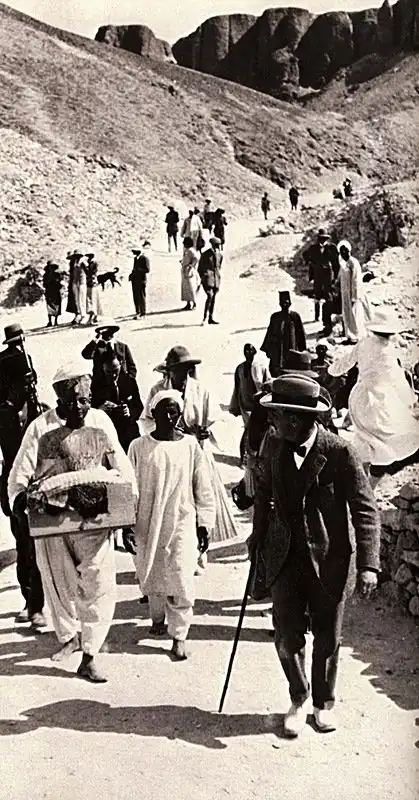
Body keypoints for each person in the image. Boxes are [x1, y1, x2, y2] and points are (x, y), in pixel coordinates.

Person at [248, 374, 380, 736]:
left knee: (327, 639)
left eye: (276, 414)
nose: (272, 420)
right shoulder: (274, 445)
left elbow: (365, 509)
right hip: (284, 559)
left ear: (294, 419)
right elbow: (263, 494)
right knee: (285, 637)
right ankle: (299, 697)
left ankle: (324, 703)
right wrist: (257, 539)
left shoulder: (339, 452)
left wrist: (368, 565)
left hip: (329, 561)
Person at [8, 364, 137, 682]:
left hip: (94, 520)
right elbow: (20, 474)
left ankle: (90, 653)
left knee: (98, 583)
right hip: (54, 523)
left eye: (84, 400)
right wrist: (22, 501)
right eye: (72, 400)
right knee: (59, 585)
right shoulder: (41, 429)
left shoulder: (100, 422)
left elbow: (120, 465)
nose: (80, 407)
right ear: (59, 400)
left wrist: (127, 504)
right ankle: (70, 636)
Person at [126, 390, 215, 660]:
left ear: (180, 414)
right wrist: (127, 526)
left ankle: (179, 635)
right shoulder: (138, 447)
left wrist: (204, 524)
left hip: (181, 522)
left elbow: (203, 488)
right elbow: (129, 490)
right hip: (147, 523)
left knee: (181, 577)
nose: (169, 416)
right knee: (151, 574)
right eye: (163, 411)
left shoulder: (190, 446)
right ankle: (157, 618)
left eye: (174, 411)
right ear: (152, 413)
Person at [140, 345, 238, 546]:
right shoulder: (157, 391)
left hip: (196, 454)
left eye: (186, 370)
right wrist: (167, 431)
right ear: (169, 371)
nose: (183, 375)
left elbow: (216, 419)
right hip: (168, 455)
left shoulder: (201, 390)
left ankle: (201, 541)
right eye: (178, 370)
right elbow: (146, 421)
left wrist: (207, 431)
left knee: (200, 498)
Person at [328, 308, 419, 486]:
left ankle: (357, 482)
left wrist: (331, 370)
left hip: (360, 398)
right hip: (380, 401)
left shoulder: (364, 343)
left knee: (365, 440)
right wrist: (411, 401)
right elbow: (398, 382)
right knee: (389, 440)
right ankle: (367, 486)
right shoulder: (388, 351)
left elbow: (344, 363)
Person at [0, 324, 45, 629]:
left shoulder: (40, 411)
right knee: (25, 545)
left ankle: (42, 600)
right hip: (16, 487)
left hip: (41, 483)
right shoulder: (3, 414)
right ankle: (32, 602)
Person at [91, 352, 143, 452]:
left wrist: (129, 412)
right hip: (106, 434)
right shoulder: (95, 385)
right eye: (108, 372)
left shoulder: (129, 381)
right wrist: (100, 409)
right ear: (102, 368)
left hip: (129, 434)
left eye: (116, 370)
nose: (113, 375)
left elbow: (139, 408)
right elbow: (88, 411)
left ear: (121, 364)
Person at [229, 344, 270, 462]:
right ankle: (245, 456)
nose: (248, 353)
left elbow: (268, 382)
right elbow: (237, 387)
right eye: (246, 351)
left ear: (254, 352)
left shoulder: (261, 367)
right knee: (249, 428)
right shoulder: (240, 368)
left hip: (259, 404)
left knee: (255, 430)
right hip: (245, 405)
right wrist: (235, 405)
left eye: (250, 351)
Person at [261, 290, 306, 377]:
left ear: (290, 303)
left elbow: (300, 334)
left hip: (291, 348)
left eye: (286, 302)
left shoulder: (295, 316)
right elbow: (270, 333)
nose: (285, 305)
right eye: (282, 303)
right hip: (278, 350)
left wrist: (302, 350)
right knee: (276, 372)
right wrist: (269, 350)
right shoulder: (275, 317)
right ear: (280, 304)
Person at [303, 230, 339, 327]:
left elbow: (336, 263)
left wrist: (336, 276)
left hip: (328, 274)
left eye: (324, 238)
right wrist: (311, 264)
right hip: (317, 273)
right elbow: (305, 255)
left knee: (328, 294)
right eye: (321, 238)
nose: (322, 240)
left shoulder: (332, 248)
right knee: (317, 294)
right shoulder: (313, 248)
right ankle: (316, 315)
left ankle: (327, 315)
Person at [337, 240, 370, 343]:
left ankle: (356, 336)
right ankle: (349, 336)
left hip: (353, 294)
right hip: (345, 293)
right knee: (347, 314)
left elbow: (356, 281)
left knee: (354, 314)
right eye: (341, 251)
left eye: (345, 251)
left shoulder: (354, 263)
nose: (343, 253)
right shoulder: (343, 263)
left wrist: (354, 296)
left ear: (349, 250)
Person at [198, 236, 222, 325]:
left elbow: (218, 267)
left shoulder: (220, 255)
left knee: (213, 298)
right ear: (212, 244)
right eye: (216, 245)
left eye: (218, 245)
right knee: (210, 296)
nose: (218, 247)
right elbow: (200, 268)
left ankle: (210, 318)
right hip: (207, 279)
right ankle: (204, 317)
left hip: (216, 279)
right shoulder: (205, 254)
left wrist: (218, 277)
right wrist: (203, 276)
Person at [128, 243, 150, 317]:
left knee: (141, 296)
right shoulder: (135, 258)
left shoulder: (144, 258)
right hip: (135, 280)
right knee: (135, 297)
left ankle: (143, 313)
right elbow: (134, 268)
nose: (133, 252)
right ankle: (138, 312)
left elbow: (147, 270)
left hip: (141, 280)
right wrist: (131, 275)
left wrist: (138, 270)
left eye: (134, 251)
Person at [180, 236, 199, 310]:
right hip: (185, 270)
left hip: (189, 272)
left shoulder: (191, 251)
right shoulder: (187, 250)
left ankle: (194, 303)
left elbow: (196, 258)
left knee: (191, 288)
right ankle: (188, 304)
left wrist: (191, 266)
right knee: (186, 288)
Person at [66, 250, 84, 325]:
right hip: (73, 282)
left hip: (78, 283)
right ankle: (77, 314)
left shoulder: (78, 263)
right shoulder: (72, 263)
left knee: (78, 299)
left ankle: (79, 315)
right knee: (74, 300)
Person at [43, 261, 62, 327]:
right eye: (50, 267)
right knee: (49, 306)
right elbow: (44, 284)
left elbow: (59, 283)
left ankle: (56, 320)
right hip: (49, 292)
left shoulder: (57, 275)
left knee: (57, 305)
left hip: (56, 292)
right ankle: (50, 321)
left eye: (52, 267)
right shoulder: (46, 275)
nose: (51, 268)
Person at [85, 253, 101, 325]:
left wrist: (86, 269)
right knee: (93, 300)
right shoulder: (91, 263)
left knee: (91, 300)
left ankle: (91, 318)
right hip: (92, 283)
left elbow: (92, 273)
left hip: (92, 283)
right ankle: (95, 316)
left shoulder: (93, 263)